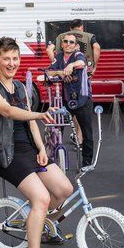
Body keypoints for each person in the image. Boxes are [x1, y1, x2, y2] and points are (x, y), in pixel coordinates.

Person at [0, 37, 73, 248]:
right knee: (42, 198)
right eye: (6, 59)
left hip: (29, 150)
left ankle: (37, 223)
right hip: (6, 152)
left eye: (15, 58)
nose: (11, 63)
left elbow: (32, 122)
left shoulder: (22, 88)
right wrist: (36, 114)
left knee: (64, 190)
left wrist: (42, 149)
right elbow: (6, 111)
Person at [47, 32, 94, 168]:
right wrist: (61, 72)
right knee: (57, 127)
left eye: (71, 42)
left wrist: (71, 65)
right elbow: (49, 72)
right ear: (61, 44)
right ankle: (56, 159)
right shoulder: (59, 57)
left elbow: (82, 62)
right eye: (65, 41)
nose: (68, 44)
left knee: (87, 132)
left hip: (83, 99)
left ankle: (87, 163)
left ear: (76, 45)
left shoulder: (78, 55)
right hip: (67, 100)